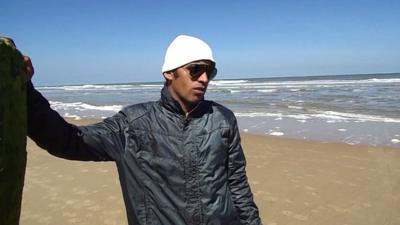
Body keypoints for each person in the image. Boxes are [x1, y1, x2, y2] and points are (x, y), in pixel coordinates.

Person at [23, 35, 262, 225]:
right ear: (169, 72)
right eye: (196, 69)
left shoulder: (222, 119)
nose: (204, 78)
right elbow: (68, 141)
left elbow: (238, 185)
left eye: (211, 71)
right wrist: (26, 93)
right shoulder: (133, 124)